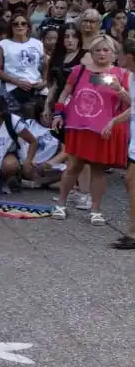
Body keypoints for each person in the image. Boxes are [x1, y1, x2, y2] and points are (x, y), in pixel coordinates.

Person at [51, 35, 131, 225]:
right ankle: (61, 204)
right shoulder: (79, 70)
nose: (102, 53)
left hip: (102, 129)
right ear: (91, 52)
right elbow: (64, 93)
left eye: (106, 50)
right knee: (74, 167)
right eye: (98, 50)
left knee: (98, 170)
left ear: (113, 53)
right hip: (78, 126)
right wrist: (57, 114)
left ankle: (95, 209)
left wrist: (119, 89)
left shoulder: (121, 74)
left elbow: (130, 103)